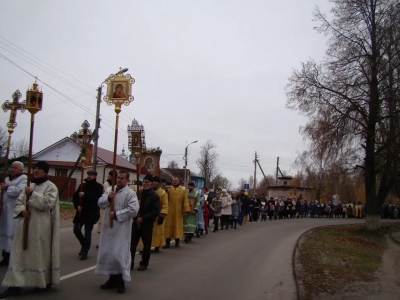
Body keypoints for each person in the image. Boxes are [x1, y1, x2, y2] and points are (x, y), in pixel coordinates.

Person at [0, 161, 60, 298]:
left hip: (40, 226)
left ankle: (41, 280)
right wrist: (22, 212)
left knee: (38, 254)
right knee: (18, 253)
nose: (36, 170)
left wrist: (32, 194)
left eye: (39, 168)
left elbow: (47, 204)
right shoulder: (30, 185)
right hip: (25, 224)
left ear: (45, 171)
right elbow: (19, 202)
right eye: (35, 168)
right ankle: (14, 285)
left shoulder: (51, 187)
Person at [95, 171, 139, 294]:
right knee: (109, 252)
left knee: (118, 253)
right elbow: (100, 202)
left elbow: (134, 210)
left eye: (122, 178)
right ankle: (111, 279)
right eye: (118, 178)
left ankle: (121, 281)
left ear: (127, 180)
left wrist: (116, 214)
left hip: (121, 229)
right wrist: (109, 198)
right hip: (108, 228)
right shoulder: (110, 189)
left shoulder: (130, 193)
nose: (119, 180)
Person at [0, 161, 27, 266]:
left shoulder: (24, 179)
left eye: (15, 168)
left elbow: (20, 191)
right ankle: (5, 256)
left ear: (21, 170)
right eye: (12, 167)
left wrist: (7, 188)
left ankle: (13, 257)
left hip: (15, 211)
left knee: (13, 233)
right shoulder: (7, 179)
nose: (12, 169)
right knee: (5, 232)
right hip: (6, 210)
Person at [131, 174, 160, 271]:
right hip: (136, 222)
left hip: (147, 223)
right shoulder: (138, 193)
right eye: (143, 182)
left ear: (151, 184)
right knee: (132, 244)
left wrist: (143, 218)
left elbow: (155, 211)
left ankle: (144, 263)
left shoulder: (155, 196)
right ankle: (129, 262)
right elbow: (132, 206)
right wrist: (136, 205)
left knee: (146, 244)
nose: (145, 183)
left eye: (147, 182)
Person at [72, 170, 103, 260]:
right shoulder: (82, 186)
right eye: (88, 174)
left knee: (88, 232)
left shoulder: (98, 187)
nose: (89, 176)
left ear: (95, 176)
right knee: (76, 230)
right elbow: (75, 197)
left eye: (92, 175)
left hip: (91, 213)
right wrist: (77, 205)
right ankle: (84, 245)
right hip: (80, 213)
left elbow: (97, 199)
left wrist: (85, 195)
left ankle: (84, 251)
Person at [139, 176, 168, 253]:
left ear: (158, 182)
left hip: (157, 215)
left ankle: (157, 246)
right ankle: (146, 247)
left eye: (156, 181)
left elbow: (165, 205)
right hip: (147, 216)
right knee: (147, 234)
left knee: (157, 232)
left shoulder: (163, 192)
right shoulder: (144, 192)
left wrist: (162, 215)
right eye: (153, 181)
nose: (154, 183)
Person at [163, 177, 190, 248]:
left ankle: (177, 242)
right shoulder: (169, 189)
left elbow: (185, 200)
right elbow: (165, 198)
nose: (174, 182)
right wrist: (165, 191)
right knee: (168, 226)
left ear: (179, 181)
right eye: (173, 181)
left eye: (176, 180)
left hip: (178, 211)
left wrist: (186, 210)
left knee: (177, 226)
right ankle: (167, 243)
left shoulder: (182, 189)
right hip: (169, 210)